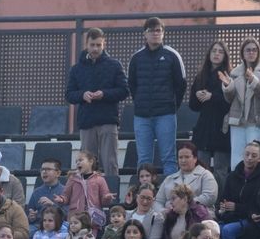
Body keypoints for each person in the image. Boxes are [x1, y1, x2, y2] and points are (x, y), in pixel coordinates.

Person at [66, 27, 129, 178]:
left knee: (110, 162)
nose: (95, 48)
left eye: (98, 45)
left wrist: (104, 94)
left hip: (108, 120)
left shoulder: (114, 65)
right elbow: (69, 95)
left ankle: (112, 196)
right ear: (86, 44)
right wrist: (83, 95)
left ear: (104, 44)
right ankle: (89, 198)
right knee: (87, 164)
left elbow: (124, 91)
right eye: (92, 44)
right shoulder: (76, 69)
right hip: (87, 122)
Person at [128, 17, 187, 176]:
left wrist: (172, 106)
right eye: (151, 30)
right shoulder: (136, 58)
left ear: (163, 34)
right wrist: (140, 102)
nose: (155, 33)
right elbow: (132, 85)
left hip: (166, 115)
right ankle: (144, 195)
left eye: (158, 30)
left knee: (168, 158)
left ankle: (171, 196)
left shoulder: (172, 55)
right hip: (142, 116)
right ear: (144, 34)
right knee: (144, 159)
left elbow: (181, 84)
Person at [187, 42, 234, 173]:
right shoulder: (201, 75)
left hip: (222, 128)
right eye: (214, 51)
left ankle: (222, 194)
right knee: (201, 169)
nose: (216, 54)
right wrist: (197, 95)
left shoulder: (229, 75)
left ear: (225, 56)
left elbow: (230, 102)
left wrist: (212, 96)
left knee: (220, 169)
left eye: (220, 51)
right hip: (204, 129)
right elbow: (193, 106)